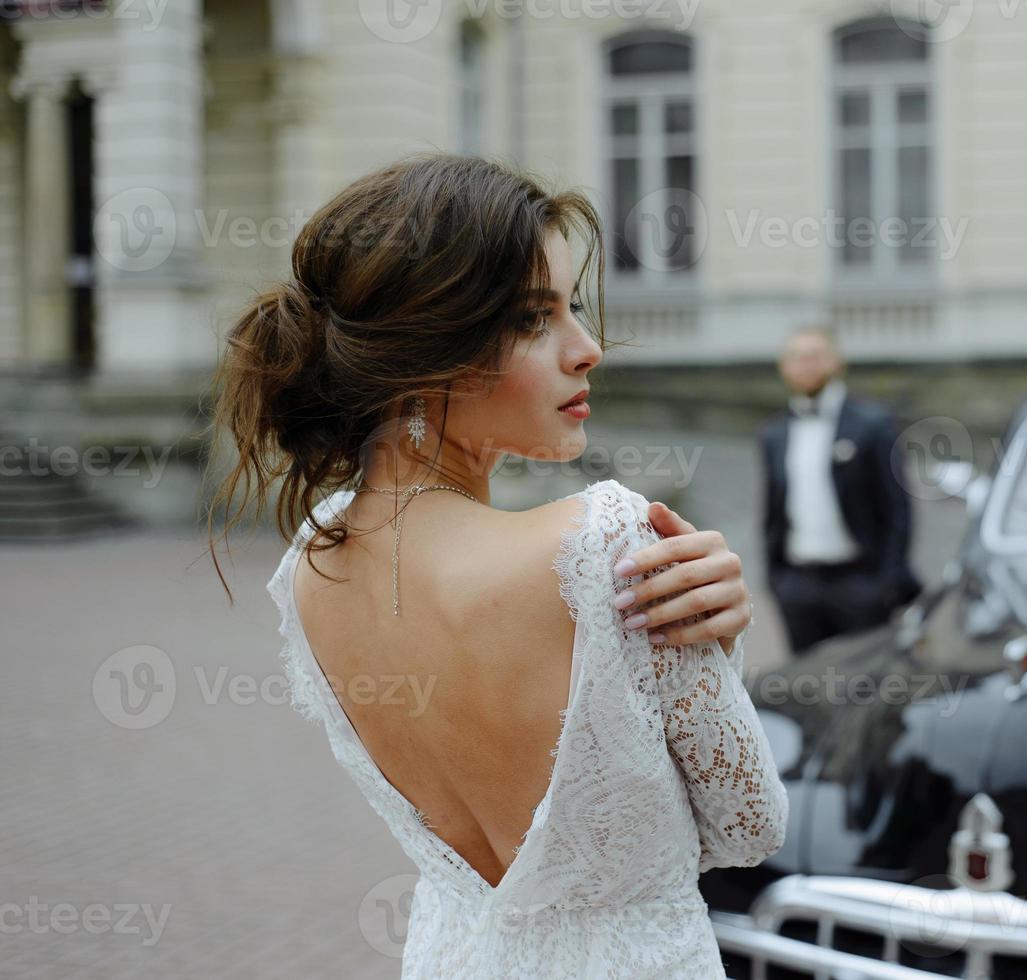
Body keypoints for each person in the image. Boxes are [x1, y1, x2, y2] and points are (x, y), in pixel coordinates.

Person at [205, 154, 787, 978]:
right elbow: (749, 826)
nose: (586, 349)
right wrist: (711, 652)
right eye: (529, 319)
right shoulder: (604, 546)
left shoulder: (310, 568)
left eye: (574, 307)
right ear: (421, 354)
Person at [757, 325, 923, 655]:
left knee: (865, 682)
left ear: (836, 362)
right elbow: (772, 511)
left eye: (815, 356)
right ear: (783, 367)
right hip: (798, 584)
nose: (807, 365)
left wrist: (886, 583)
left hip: (860, 581)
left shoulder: (872, 424)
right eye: (797, 357)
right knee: (805, 685)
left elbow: (897, 509)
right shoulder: (773, 434)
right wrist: (777, 580)